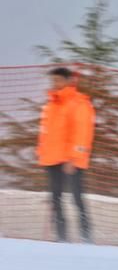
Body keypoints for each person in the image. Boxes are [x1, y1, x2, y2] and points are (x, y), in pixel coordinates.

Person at [37, 67, 96, 243]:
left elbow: (82, 133)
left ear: (68, 81)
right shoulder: (51, 105)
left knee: (77, 198)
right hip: (52, 159)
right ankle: (61, 236)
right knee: (56, 199)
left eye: (57, 80)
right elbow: (45, 132)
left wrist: (74, 158)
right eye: (52, 80)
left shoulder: (79, 103)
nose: (54, 84)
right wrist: (42, 153)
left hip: (71, 161)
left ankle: (86, 236)